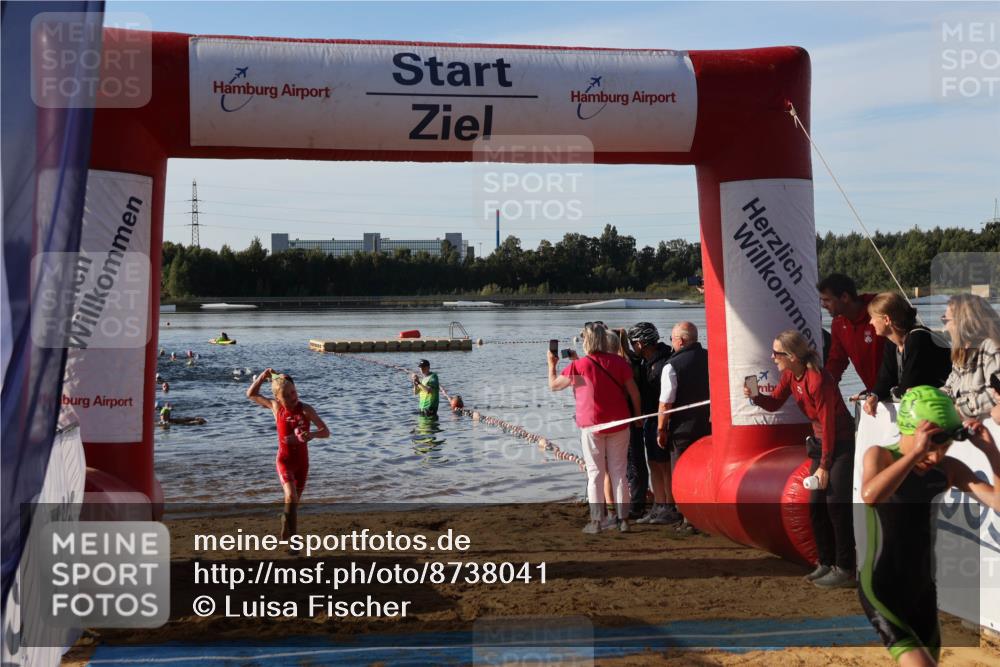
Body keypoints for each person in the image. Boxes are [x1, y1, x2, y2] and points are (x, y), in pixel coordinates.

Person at [860, 386, 1000, 666]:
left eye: (944, 448)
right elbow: (871, 496)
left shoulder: (948, 469)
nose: (935, 457)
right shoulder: (880, 456)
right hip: (882, 586)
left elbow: (997, 502)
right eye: (930, 447)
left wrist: (991, 452)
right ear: (908, 431)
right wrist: (914, 455)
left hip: (923, 590)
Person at [746, 330, 856, 588]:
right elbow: (774, 403)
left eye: (777, 353)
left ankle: (846, 568)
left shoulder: (818, 379)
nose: (772, 357)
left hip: (840, 443)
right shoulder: (790, 375)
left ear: (792, 356)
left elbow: (828, 425)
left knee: (836, 505)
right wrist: (755, 396)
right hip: (820, 443)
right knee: (815, 505)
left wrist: (824, 467)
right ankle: (826, 562)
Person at [549, 322, 640, 534]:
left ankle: (597, 521)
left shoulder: (579, 366)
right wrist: (638, 417)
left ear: (586, 341)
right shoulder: (619, 362)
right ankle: (624, 520)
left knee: (595, 473)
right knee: (619, 473)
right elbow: (634, 392)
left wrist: (551, 364)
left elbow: (554, 385)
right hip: (619, 422)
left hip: (592, 425)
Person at [247, 369, 330, 543]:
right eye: (286, 395)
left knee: (293, 503)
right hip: (284, 461)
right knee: (291, 497)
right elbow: (251, 394)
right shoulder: (276, 408)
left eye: (293, 392)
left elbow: (325, 432)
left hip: (302, 463)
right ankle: (294, 539)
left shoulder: (306, 410)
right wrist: (262, 376)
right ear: (277, 398)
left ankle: (286, 522)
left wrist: (311, 435)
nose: (292, 397)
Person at [657, 322, 710, 533]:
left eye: (672, 339)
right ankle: (703, 517)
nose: (671, 343)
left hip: (682, 430)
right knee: (703, 473)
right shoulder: (710, 357)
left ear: (681, 340)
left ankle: (689, 519)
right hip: (708, 427)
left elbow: (665, 403)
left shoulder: (672, 365)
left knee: (681, 475)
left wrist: (661, 429)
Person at [863, 292, 952, 416]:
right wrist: (873, 396)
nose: (870, 322)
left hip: (944, 405)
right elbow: (886, 378)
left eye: (873, 317)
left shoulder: (918, 338)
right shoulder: (892, 342)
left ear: (886, 320)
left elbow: (909, 386)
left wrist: (892, 391)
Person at [625, 322, 678, 526]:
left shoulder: (664, 362)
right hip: (649, 419)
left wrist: (663, 425)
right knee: (653, 464)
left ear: (641, 343)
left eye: (634, 343)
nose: (633, 347)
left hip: (661, 420)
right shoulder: (645, 361)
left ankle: (670, 507)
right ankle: (659, 504)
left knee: (664, 466)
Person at [818, 274, 886, 391]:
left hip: (902, 390)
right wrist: (823, 386)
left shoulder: (880, 310)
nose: (823, 305)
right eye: (822, 300)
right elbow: (837, 360)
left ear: (845, 297)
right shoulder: (838, 323)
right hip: (876, 392)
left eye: (827, 300)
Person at [941, 294, 1000, 420]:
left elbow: (995, 394)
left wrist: (961, 409)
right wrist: (924, 395)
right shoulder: (961, 352)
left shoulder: (991, 348)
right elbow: (950, 389)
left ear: (963, 323)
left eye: (945, 320)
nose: (944, 327)